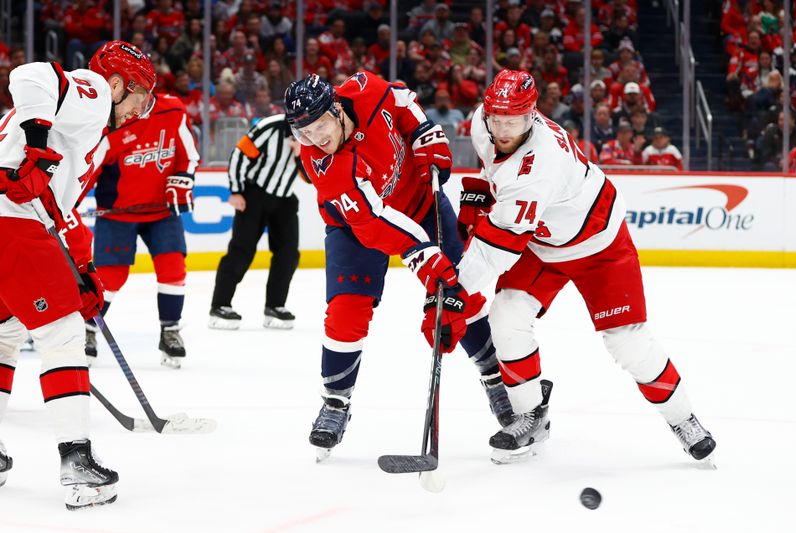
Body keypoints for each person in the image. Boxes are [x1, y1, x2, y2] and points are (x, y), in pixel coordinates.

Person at [449, 69, 716, 464]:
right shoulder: (482, 122)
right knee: (506, 315)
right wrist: (482, 192)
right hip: (543, 241)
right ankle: (529, 416)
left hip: (599, 245)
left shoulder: (540, 167)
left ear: (532, 116)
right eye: (498, 118)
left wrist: (454, 293)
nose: (503, 129)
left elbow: (495, 251)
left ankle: (684, 418)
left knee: (627, 342)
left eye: (514, 120)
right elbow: (494, 174)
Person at [284, 72, 512, 460]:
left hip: (420, 203)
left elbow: (401, 99)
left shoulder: (364, 90)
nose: (315, 139)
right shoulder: (323, 165)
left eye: (320, 126)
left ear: (336, 109)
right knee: (345, 312)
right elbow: (374, 223)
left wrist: (424, 132)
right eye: (303, 134)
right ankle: (335, 403)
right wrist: (421, 253)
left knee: (460, 294)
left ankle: (497, 382)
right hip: (357, 230)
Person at [0, 40, 155, 509]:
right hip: (12, 219)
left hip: (19, 217)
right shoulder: (92, 93)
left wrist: (81, 269)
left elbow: (53, 205)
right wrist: (37, 140)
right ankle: (77, 463)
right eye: (139, 98)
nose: (139, 112)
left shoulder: (85, 124)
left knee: (6, 336)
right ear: (115, 84)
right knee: (64, 334)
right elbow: (29, 74)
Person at [86, 90, 199, 369]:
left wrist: (183, 178)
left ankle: (170, 331)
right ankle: (87, 330)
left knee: (172, 267)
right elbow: (87, 172)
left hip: (162, 211)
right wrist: (64, 204)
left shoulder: (172, 110)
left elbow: (190, 156)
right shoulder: (110, 122)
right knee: (111, 277)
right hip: (118, 213)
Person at [209, 114, 304, 330]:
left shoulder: (316, 132)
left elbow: (310, 177)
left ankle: (275, 306)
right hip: (255, 195)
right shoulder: (269, 127)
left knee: (288, 254)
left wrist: (300, 156)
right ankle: (220, 305)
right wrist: (236, 190)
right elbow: (239, 155)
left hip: (285, 198)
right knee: (242, 251)